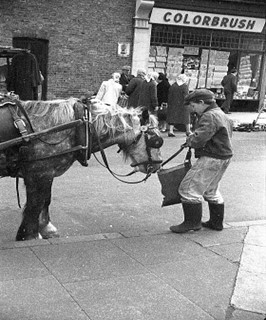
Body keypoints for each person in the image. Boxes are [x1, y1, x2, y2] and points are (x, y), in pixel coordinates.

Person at [170, 89, 233, 234]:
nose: (192, 109)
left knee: (188, 189)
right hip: (223, 156)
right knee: (211, 190)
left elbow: (199, 139)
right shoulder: (221, 114)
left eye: (193, 106)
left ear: (202, 103)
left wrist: (190, 140)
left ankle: (192, 223)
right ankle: (216, 222)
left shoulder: (209, 116)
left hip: (211, 157)